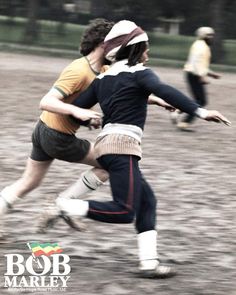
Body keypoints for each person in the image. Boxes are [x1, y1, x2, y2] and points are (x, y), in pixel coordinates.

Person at [50, 20, 230, 278]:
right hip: (122, 147)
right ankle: (65, 206)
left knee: (147, 202)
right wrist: (201, 111)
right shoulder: (140, 74)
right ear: (134, 48)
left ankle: (149, 263)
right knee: (124, 211)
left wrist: (91, 118)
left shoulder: (103, 79)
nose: (148, 53)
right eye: (145, 48)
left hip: (107, 147)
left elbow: (79, 108)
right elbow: (167, 91)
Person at [0, 19, 114, 237]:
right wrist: (77, 112)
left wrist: (156, 99)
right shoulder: (79, 70)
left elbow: (122, 90)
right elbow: (46, 101)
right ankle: (64, 204)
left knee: (30, 181)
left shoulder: (103, 69)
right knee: (109, 163)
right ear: (102, 43)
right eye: (116, 43)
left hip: (43, 130)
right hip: (56, 137)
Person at [175, 26, 221, 130]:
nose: (212, 37)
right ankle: (184, 122)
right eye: (210, 35)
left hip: (192, 73)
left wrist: (210, 73)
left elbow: (199, 63)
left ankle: (179, 111)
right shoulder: (202, 46)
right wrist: (201, 76)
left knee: (198, 100)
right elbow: (196, 63)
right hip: (194, 74)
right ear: (204, 36)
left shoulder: (200, 45)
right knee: (201, 101)